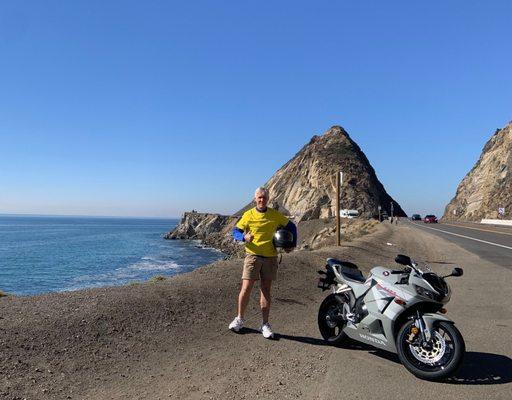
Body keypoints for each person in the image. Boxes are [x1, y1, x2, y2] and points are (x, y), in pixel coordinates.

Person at [228, 187, 297, 339]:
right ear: (255, 199)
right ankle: (239, 319)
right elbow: (235, 231)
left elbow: (292, 226)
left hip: (270, 257)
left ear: (268, 199)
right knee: (246, 288)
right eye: (259, 197)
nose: (261, 200)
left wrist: (293, 244)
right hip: (252, 256)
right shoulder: (248, 215)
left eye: (264, 198)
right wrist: (243, 238)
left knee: (266, 290)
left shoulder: (274, 215)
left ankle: (265, 324)